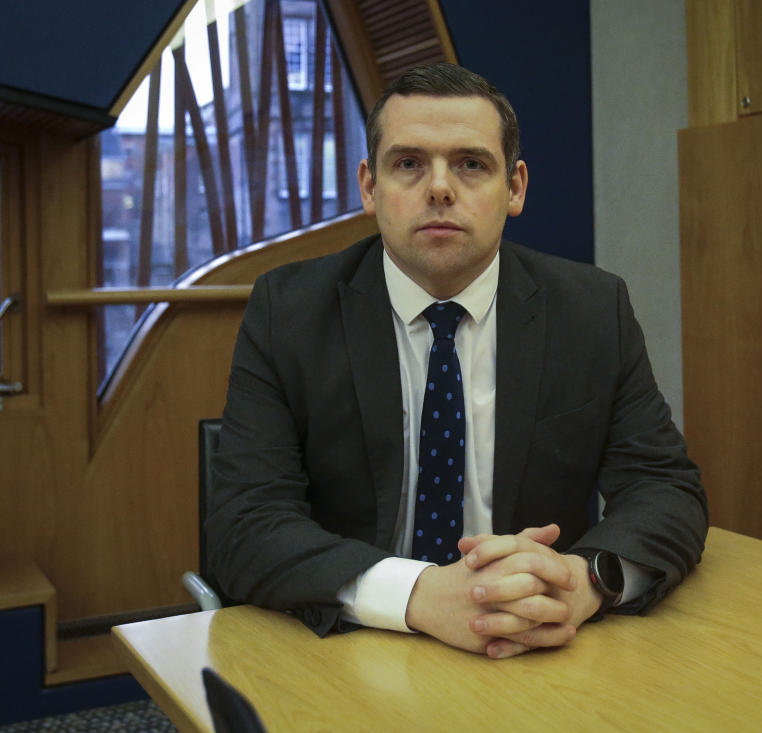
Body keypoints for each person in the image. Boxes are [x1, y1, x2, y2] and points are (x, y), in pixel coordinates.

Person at [208, 63, 707, 660]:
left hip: (538, 646)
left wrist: (584, 581)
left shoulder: (593, 310)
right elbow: (245, 523)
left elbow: (664, 488)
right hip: (353, 648)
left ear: (515, 188)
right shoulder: (287, 311)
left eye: (471, 164)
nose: (440, 188)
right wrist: (420, 593)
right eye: (408, 164)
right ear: (369, 187)